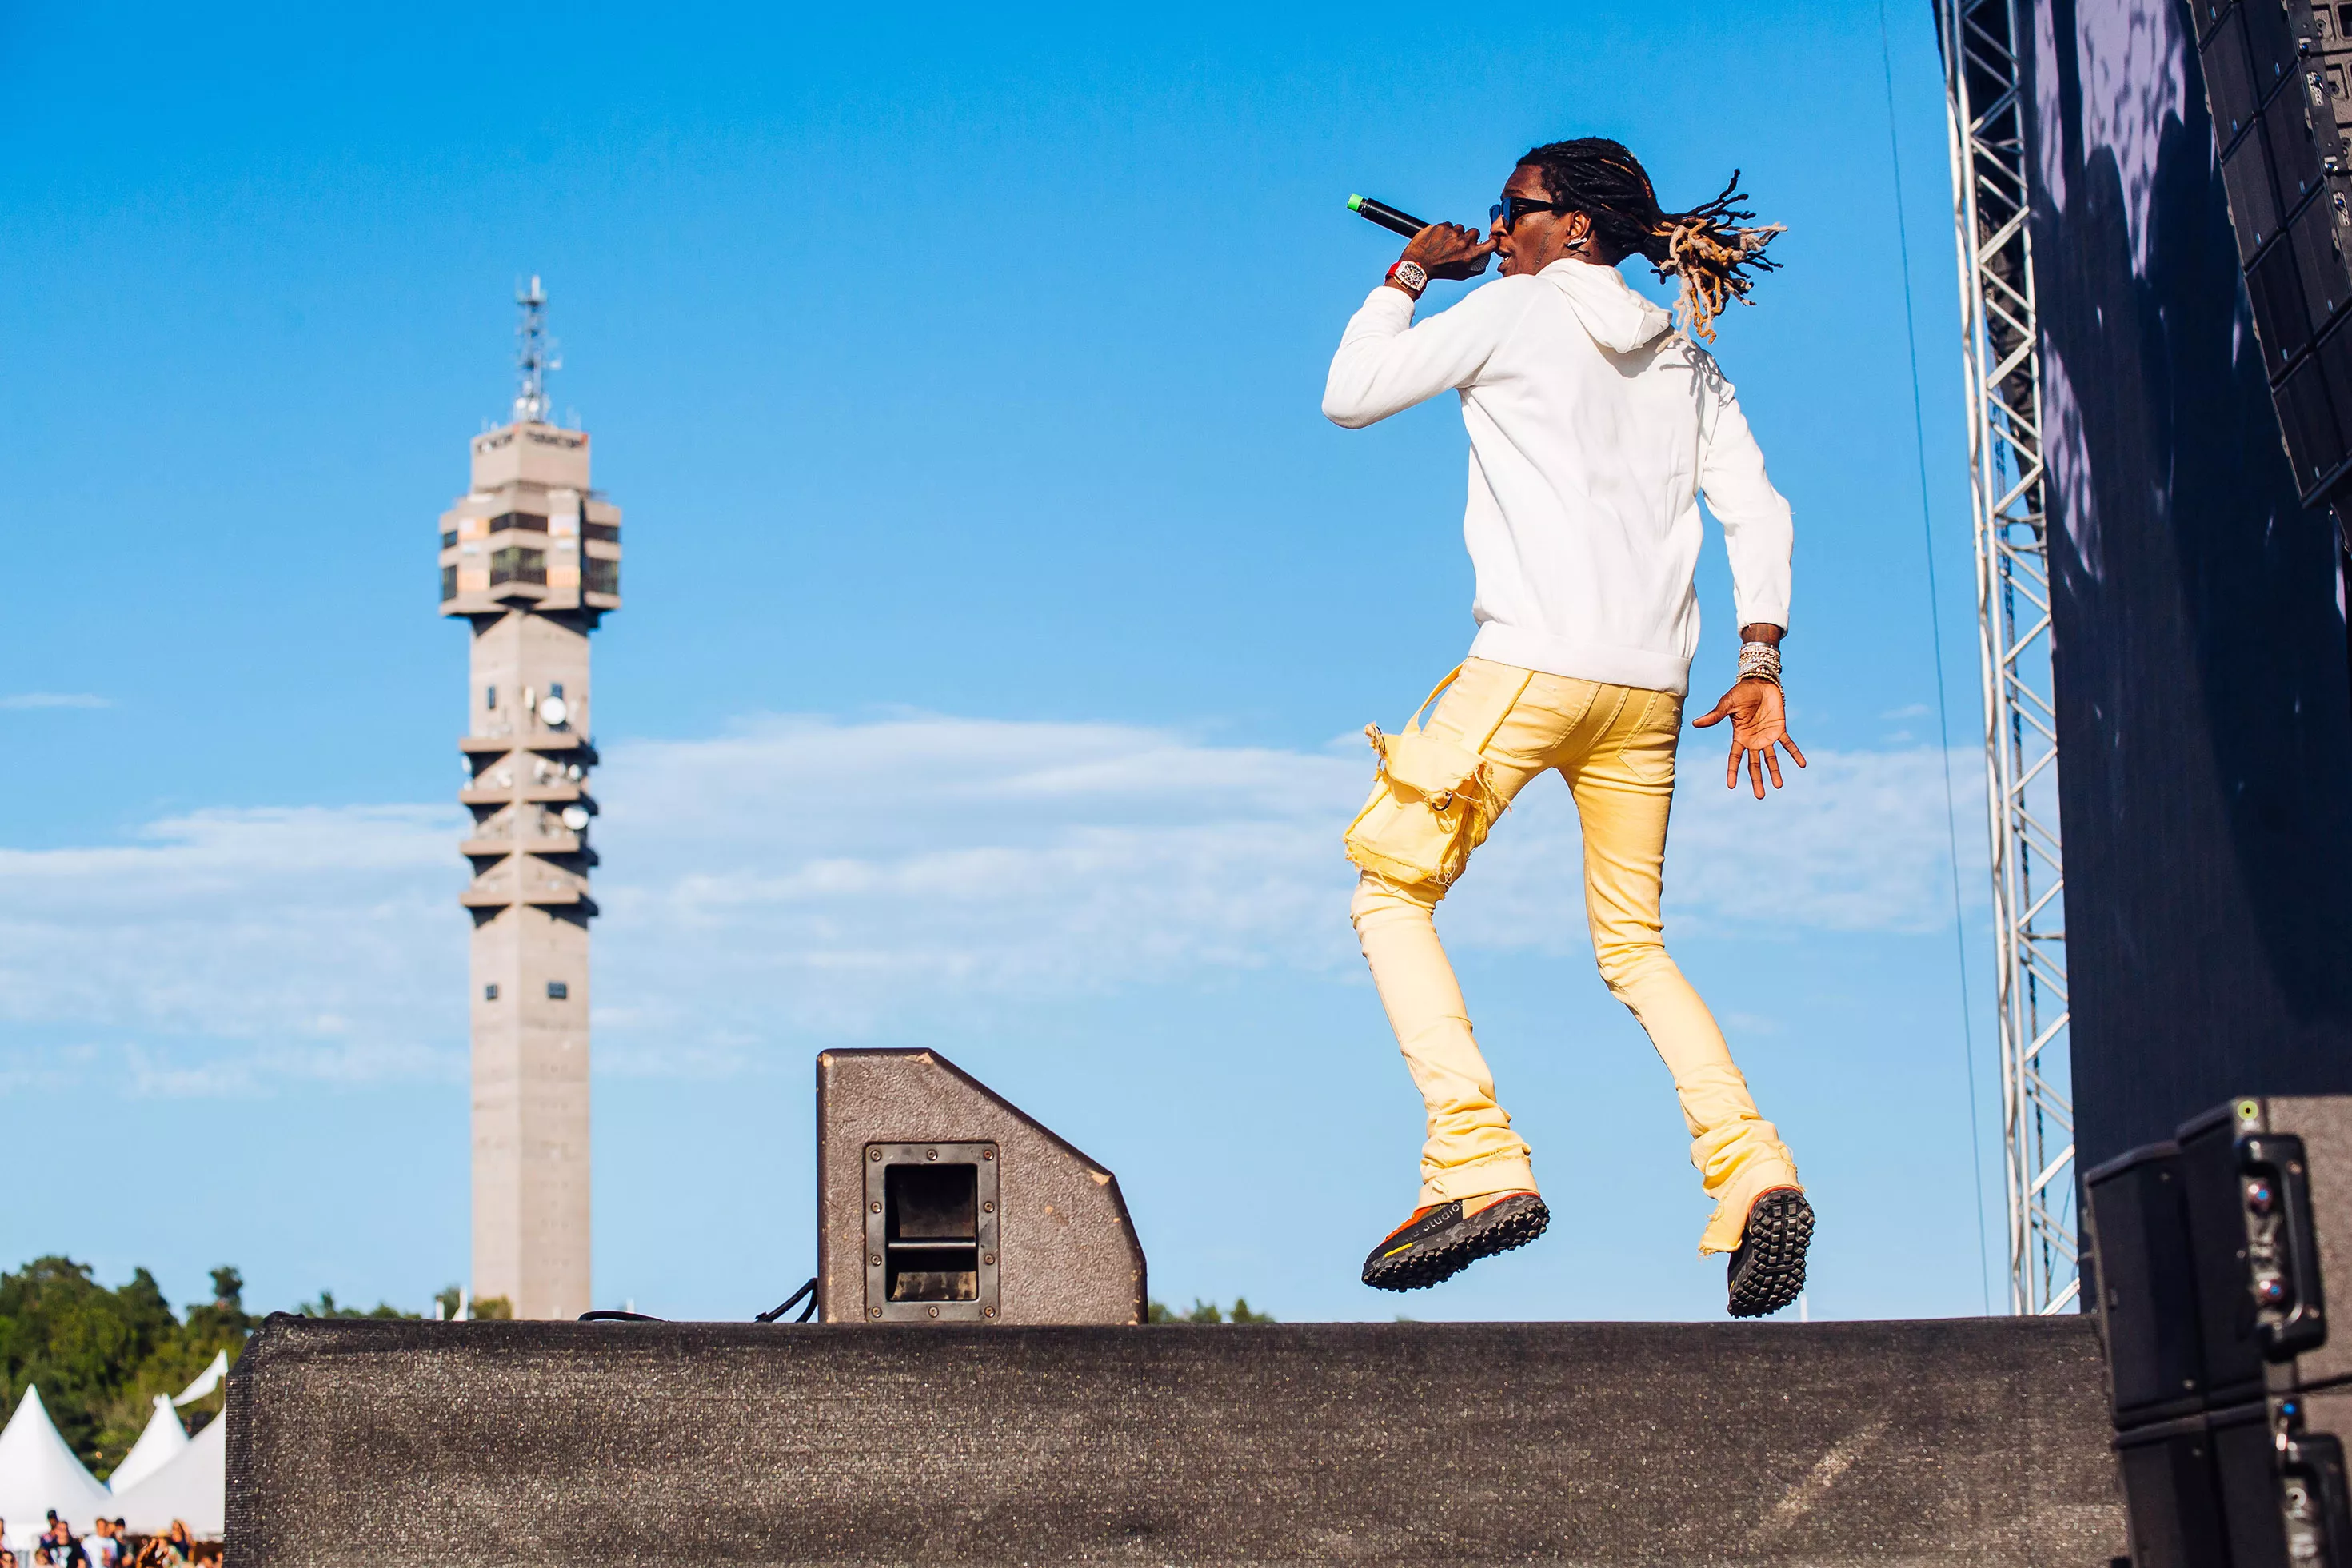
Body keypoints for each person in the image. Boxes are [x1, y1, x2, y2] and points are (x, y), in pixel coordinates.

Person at [1324, 136, 1814, 1316]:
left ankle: (1475, 1159)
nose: (1499, 228)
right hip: (1648, 690)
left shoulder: (1513, 312)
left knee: (1389, 893)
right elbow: (1758, 509)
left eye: (1516, 208)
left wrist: (1408, 276)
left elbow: (1350, 396)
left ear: (1576, 227)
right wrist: (1759, 660)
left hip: (1530, 666)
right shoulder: (1685, 358)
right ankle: (1755, 1171)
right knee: (1635, 946)